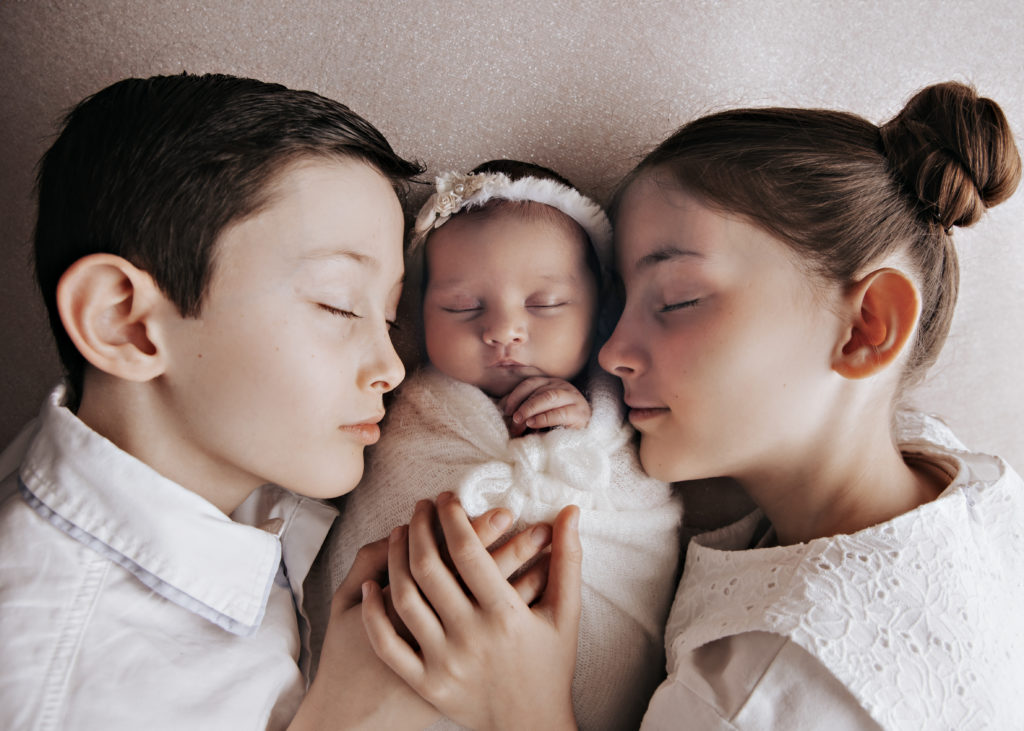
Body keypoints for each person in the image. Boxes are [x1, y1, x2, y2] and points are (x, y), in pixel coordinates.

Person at [362, 81, 1024, 731]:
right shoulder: (960, 472)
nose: (613, 351)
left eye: (676, 301)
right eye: (618, 304)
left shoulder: (755, 687)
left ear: (865, 327)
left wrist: (524, 707)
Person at [0, 72, 562, 730]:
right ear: (123, 320)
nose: (389, 367)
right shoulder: (62, 682)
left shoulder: (249, 480)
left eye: (389, 320)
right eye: (338, 303)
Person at [321, 159, 683, 730]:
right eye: (463, 307)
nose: (503, 330)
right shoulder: (403, 409)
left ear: (601, 312)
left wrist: (579, 432)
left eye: (545, 304)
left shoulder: (619, 416)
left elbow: (639, 511)